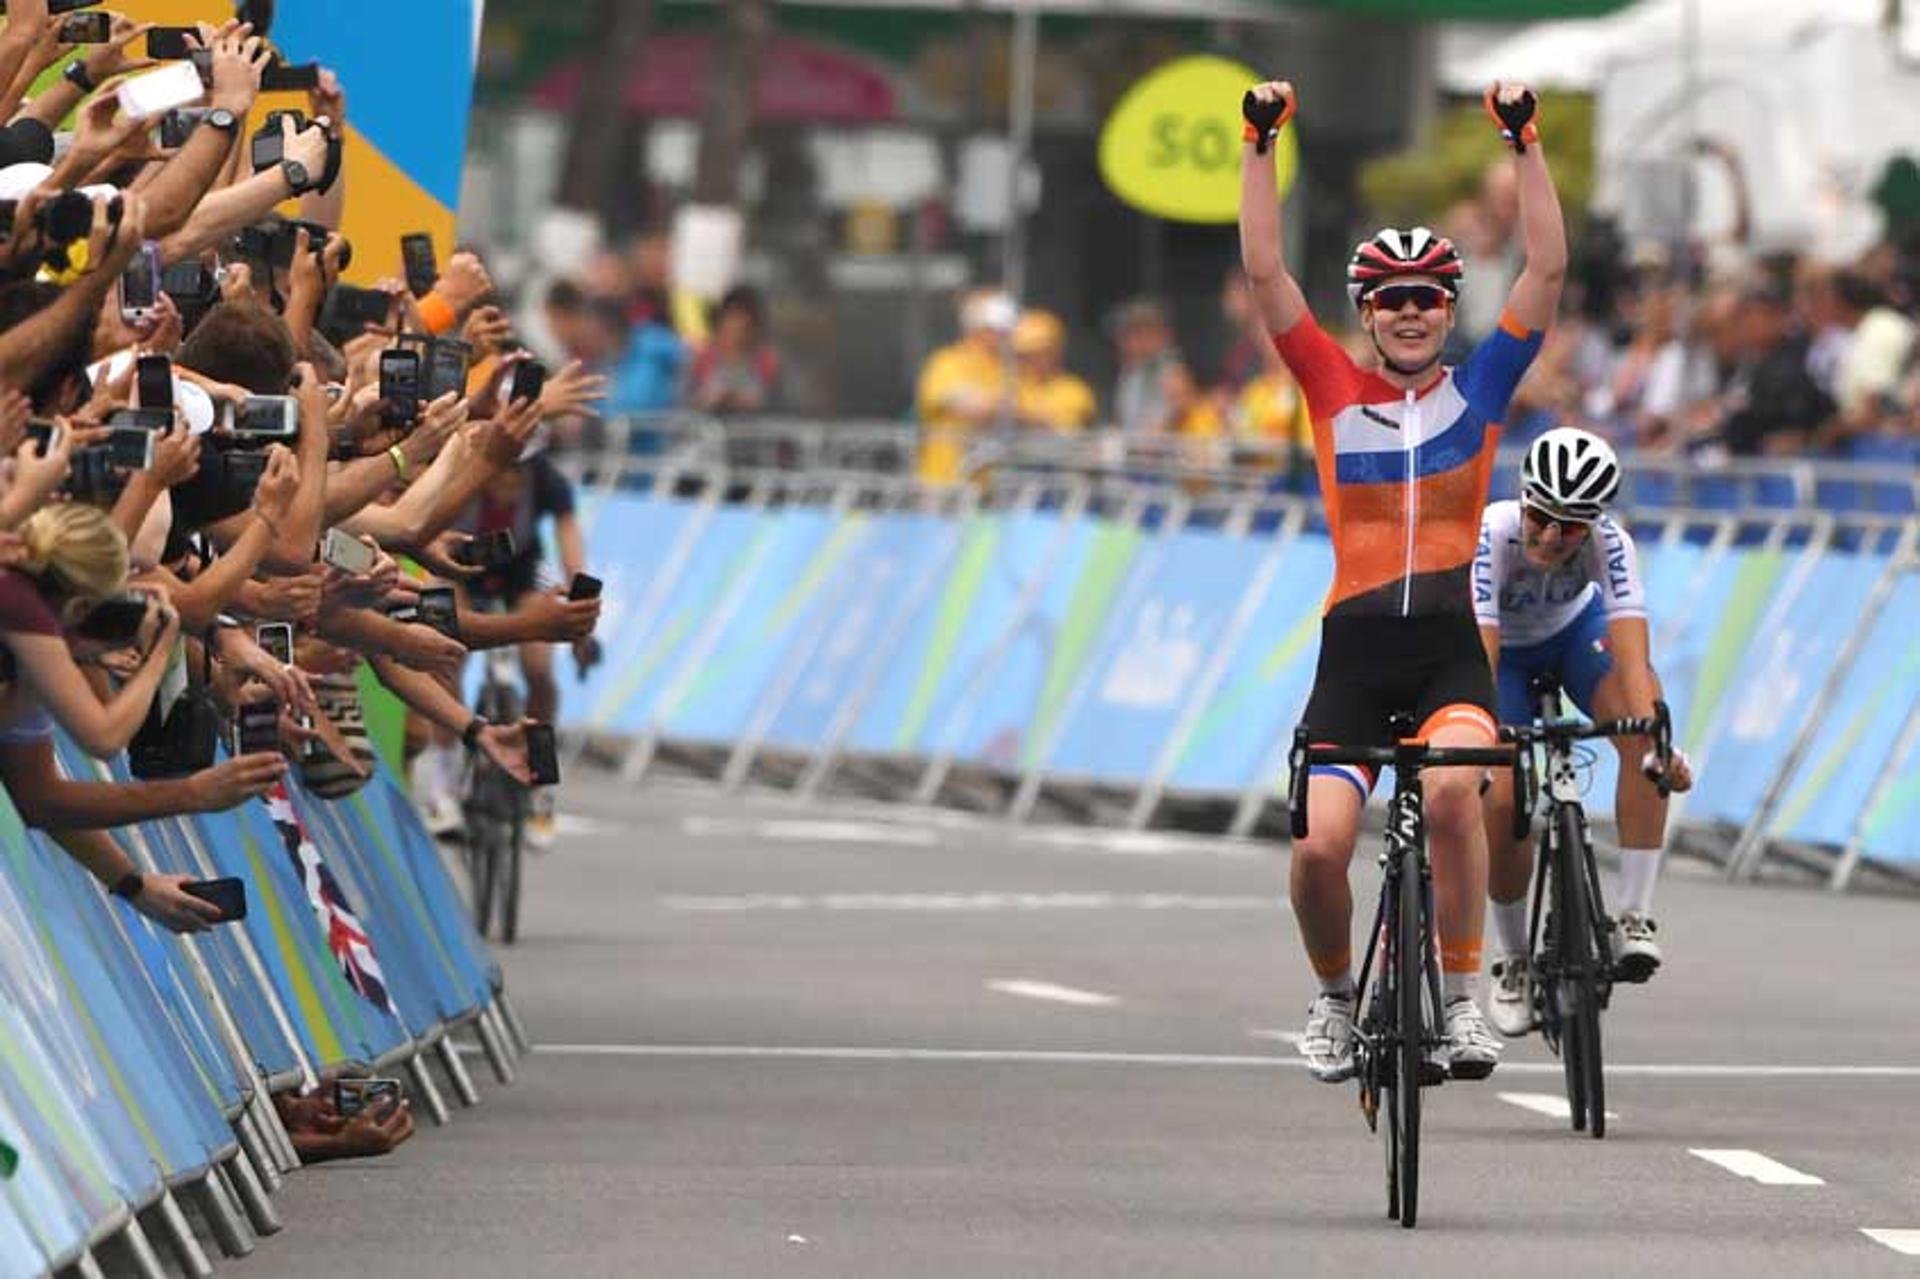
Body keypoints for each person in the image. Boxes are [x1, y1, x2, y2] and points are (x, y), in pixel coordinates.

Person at [1239, 78, 1566, 1083]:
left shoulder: (1480, 394)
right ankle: (1338, 1000)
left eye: (1430, 298)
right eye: (1393, 300)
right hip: (1357, 651)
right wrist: (1261, 142)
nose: (1414, 313)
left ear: (1449, 309)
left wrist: (1525, 142)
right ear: (1368, 314)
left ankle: (1462, 1000)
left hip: (1445, 656)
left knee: (1459, 793)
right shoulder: (1333, 391)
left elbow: (1548, 266)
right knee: (1315, 853)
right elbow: (1264, 272)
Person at [1473, 428, 1696, 1037]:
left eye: (1569, 527)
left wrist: (1655, 738)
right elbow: (1483, 656)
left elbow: (1631, 658)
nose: (1549, 536)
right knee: (1503, 789)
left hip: (1574, 636)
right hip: (1506, 656)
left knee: (1646, 737)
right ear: (1523, 500)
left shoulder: (1611, 543)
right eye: (1541, 517)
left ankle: (1635, 916)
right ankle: (1512, 957)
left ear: (1593, 523)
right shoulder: (1491, 534)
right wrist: (1492, 742)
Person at [914, 289, 1014, 484]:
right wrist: (1006, 406)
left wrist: (1000, 406)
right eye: (996, 330)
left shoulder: (1011, 367)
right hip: (944, 484)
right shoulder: (947, 363)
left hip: (993, 486)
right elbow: (974, 409)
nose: (1005, 337)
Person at [1012, 309, 1096, 434]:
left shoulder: (1075, 390)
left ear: (1056, 352)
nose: (1029, 361)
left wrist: (1017, 414)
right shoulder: (1013, 385)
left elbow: (1065, 430)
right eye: (1024, 355)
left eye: (1038, 354)